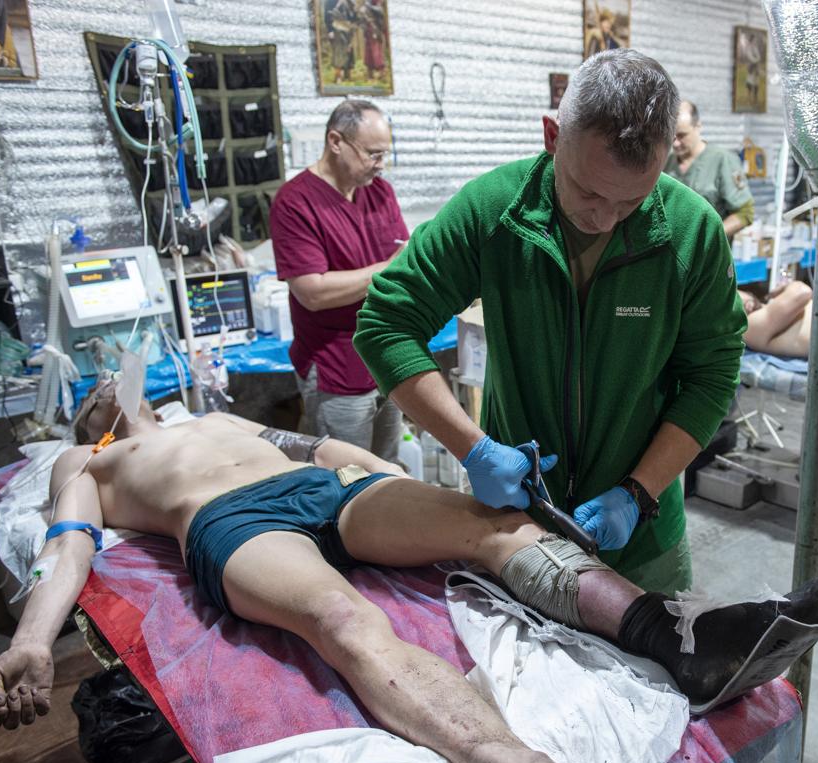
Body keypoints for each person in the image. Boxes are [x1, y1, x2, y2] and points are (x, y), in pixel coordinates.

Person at [0, 385, 818, 763]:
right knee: (344, 620)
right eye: (96, 396)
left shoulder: (210, 413)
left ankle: (675, 638)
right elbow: (69, 546)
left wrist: (397, 484)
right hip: (227, 525)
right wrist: (30, 639)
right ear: (89, 422)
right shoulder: (88, 462)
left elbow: (316, 447)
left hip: (325, 487)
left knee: (491, 526)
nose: (109, 391)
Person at [354, 49, 747, 593]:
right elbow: (385, 324)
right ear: (552, 135)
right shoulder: (492, 211)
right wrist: (473, 448)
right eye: (588, 192)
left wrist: (637, 493)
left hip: (641, 536)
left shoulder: (691, 232)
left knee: (657, 666)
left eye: (632, 201)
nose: (605, 218)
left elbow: (712, 375)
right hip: (514, 532)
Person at [269, 100, 407, 462]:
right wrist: (387, 268)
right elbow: (312, 292)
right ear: (335, 141)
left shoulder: (380, 192)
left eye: (384, 155)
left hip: (386, 358)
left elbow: (402, 255)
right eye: (372, 154)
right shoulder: (295, 202)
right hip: (336, 368)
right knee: (346, 476)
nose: (380, 165)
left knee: (388, 468)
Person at [664, 101, 755, 239]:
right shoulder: (666, 163)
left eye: (682, 135)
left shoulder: (722, 160)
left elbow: (745, 213)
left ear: (698, 126)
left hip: (709, 255)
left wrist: (709, 238)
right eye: (672, 136)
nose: (675, 143)